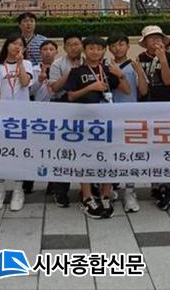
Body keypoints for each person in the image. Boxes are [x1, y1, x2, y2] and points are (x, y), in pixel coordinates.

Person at [66, 36, 130, 218]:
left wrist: (120, 75)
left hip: (107, 121)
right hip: (84, 121)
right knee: (85, 158)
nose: (95, 52)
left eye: (99, 49)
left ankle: (106, 194)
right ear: (85, 50)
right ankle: (87, 197)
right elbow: (70, 96)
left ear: (104, 51)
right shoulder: (77, 71)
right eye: (91, 48)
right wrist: (91, 87)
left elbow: (126, 90)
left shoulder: (108, 70)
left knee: (107, 157)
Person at [138, 25, 170, 210]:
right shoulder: (140, 59)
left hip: (168, 108)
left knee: (167, 147)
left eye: (158, 37)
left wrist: (163, 59)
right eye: (151, 37)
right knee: (153, 148)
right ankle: (157, 186)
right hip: (148, 109)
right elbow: (142, 87)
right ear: (145, 42)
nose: (155, 40)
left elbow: (168, 82)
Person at [0, 34, 34, 211]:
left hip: (22, 115)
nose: (17, 47)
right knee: (0, 152)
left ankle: (18, 188)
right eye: (13, 43)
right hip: (2, 115)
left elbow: (25, 82)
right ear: (6, 45)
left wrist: (20, 63)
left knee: (19, 152)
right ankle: (0, 187)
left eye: (20, 44)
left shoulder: (28, 64)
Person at [107, 32, 148, 213]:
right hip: (111, 116)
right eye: (113, 45)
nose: (117, 48)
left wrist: (139, 73)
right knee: (111, 154)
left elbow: (143, 91)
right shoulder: (106, 66)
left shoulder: (134, 65)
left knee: (130, 155)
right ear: (109, 49)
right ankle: (110, 188)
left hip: (131, 116)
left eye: (121, 44)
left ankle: (130, 191)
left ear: (128, 46)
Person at [48, 34, 84, 207]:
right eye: (70, 44)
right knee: (64, 151)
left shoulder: (90, 61)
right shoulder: (58, 64)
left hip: (86, 108)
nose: (73, 47)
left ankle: (88, 190)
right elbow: (54, 88)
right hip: (63, 108)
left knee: (87, 150)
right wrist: (71, 73)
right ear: (64, 47)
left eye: (77, 44)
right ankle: (60, 191)